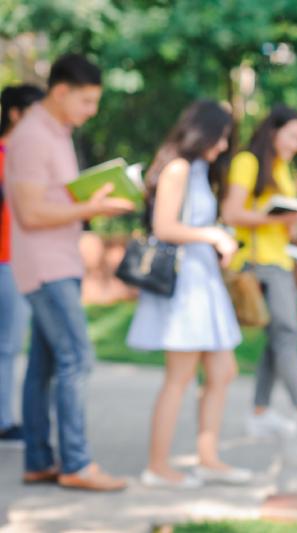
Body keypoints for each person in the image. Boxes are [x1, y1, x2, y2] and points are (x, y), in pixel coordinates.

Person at [5, 54, 133, 490]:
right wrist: (94, 207)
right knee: (78, 358)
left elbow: (53, 199)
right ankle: (77, 465)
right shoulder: (32, 137)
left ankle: (40, 461)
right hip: (46, 267)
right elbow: (29, 213)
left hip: (62, 260)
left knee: (44, 365)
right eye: (87, 101)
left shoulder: (56, 133)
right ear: (60, 92)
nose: (91, 111)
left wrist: (87, 200)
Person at [126, 100, 251, 488]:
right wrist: (211, 234)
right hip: (185, 286)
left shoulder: (199, 170)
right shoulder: (178, 168)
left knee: (222, 370)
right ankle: (158, 466)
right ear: (204, 133)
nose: (223, 146)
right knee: (178, 377)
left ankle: (207, 458)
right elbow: (164, 226)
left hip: (204, 280)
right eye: (221, 137)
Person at [221, 104, 297, 438]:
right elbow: (232, 213)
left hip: (280, 260)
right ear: (273, 131)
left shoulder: (285, 170)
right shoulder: (247, 162)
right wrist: (276, 219)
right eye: (293, 135)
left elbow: (284, 227)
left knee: (276, 338)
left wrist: (293, 224)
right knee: (288, 332)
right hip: (255, 262)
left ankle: (259, 411)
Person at [0, 83, 44, 446]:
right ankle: (3, 420)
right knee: (7, 346)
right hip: (6, 261)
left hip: (18, 260)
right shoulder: (6, 155)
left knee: (9, 345)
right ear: (15, 113)